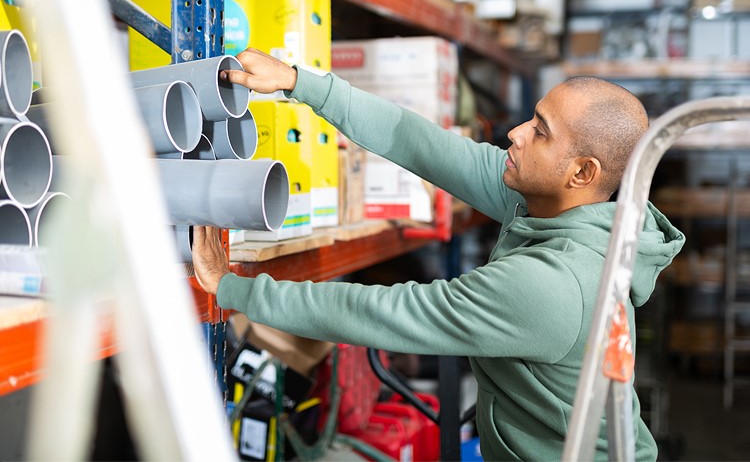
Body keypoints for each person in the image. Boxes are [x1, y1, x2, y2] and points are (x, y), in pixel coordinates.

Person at [192, 48, 685, 461]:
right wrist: (298, 83)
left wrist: (233, 287)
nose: (515, 132)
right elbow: (421, 144)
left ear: (581, 173)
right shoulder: (556, 205)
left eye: (540, 130)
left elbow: (385, 312)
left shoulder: (552, 285)